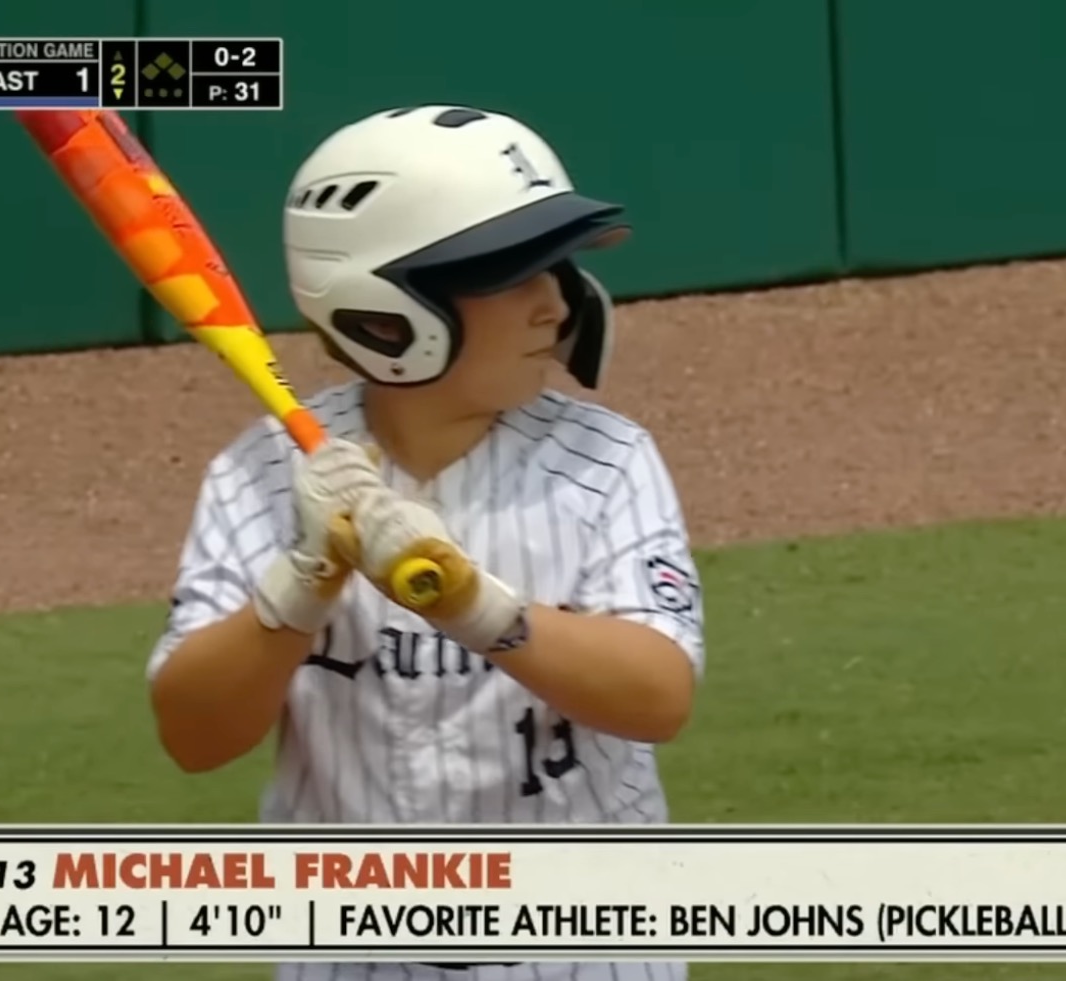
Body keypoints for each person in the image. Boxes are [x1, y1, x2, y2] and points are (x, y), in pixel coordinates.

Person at [145, 104, 706, 981]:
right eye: (512, 275)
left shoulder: (606, 462)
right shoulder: (258, 478)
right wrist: (300, 585)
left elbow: (657, 697)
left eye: (556, 268)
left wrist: (471, 604)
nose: (554, 303)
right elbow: (194, 734)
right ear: (387, 315)